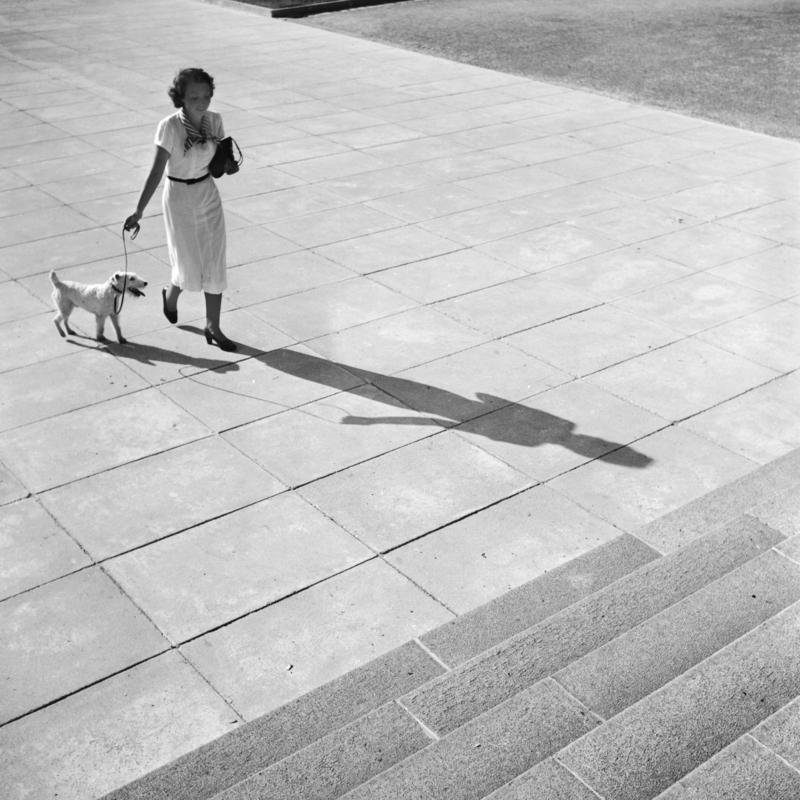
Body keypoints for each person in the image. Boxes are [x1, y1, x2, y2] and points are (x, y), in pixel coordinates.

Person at [124, 67, 236, 351]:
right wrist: (138, 211)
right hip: (179, 198)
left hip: (207, 193)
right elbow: (156, 171)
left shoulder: (215, 121)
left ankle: (213, 326)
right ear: (181, 97)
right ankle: (171, 296)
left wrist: (228, 165)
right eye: (194, 96)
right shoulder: (170, 126)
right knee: (187, 263)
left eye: (206, 95)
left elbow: (219, 167)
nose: (202, 101)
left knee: (214, 260)